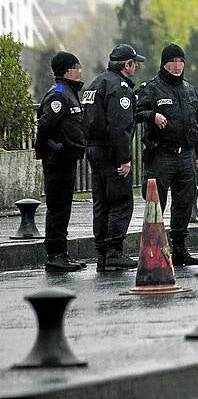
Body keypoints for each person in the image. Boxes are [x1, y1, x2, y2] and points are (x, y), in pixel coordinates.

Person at [135, 43, 198, 266]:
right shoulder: (151, 88)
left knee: (184, 203)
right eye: (172, 62)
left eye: (180, 61)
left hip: (185, 154)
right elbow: (132, 112)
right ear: (163, 64)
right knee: (156, 204)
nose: (177, 66)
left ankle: (180, 248)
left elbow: (197, 124)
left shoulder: (189, 90)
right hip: (161, 155)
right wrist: (152, 115)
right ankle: (154, 249)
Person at [83, 44, 145, 271]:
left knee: (101, 203)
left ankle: (102, 252)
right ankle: (113, 251)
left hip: (94, 150)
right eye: (134, 63)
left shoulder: (96, 83)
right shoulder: (119, 88)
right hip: (111, 153)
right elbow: (119, 127)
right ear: (126, 65)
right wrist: (124, 159)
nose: (136, 67)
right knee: (120, 202)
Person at [33, 52, 87, 272]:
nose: (80, 71)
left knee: (64, 207)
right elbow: (45, 125)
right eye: (77, 67)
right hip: (58, 159)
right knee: (57, 208)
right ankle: (55, 255)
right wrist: (44, 149)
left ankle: (61, 253)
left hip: (67, 158)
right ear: (68, 70)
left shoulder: (70, 93)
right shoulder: (59, 94)